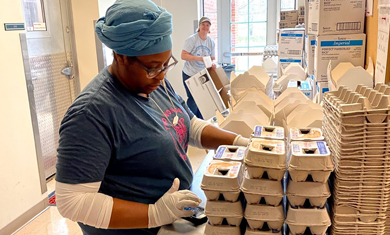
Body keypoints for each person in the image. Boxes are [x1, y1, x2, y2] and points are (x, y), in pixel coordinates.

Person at [55, 1, 249, 235]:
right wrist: (153, 214)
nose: (161, 75)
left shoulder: (152, 81)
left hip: (170, 223)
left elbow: (187, 124)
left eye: (166, 65)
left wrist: (239, 143)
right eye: (154, 67)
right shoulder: (92, 113)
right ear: (122, 57)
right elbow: (72, 201)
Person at [181, 16, 216, 119]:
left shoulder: (211, 42)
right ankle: (191, 121)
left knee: (202, 99)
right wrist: (199, 58)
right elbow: (183, 56)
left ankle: (201, 122)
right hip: (189, 73)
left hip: (202, 74)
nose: (205, 27)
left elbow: (213, 58)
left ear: (209, 28)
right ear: (199, 26)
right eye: (203, 25)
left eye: (207, 25)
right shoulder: (192, 39)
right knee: (193, 99)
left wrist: (213, 63)